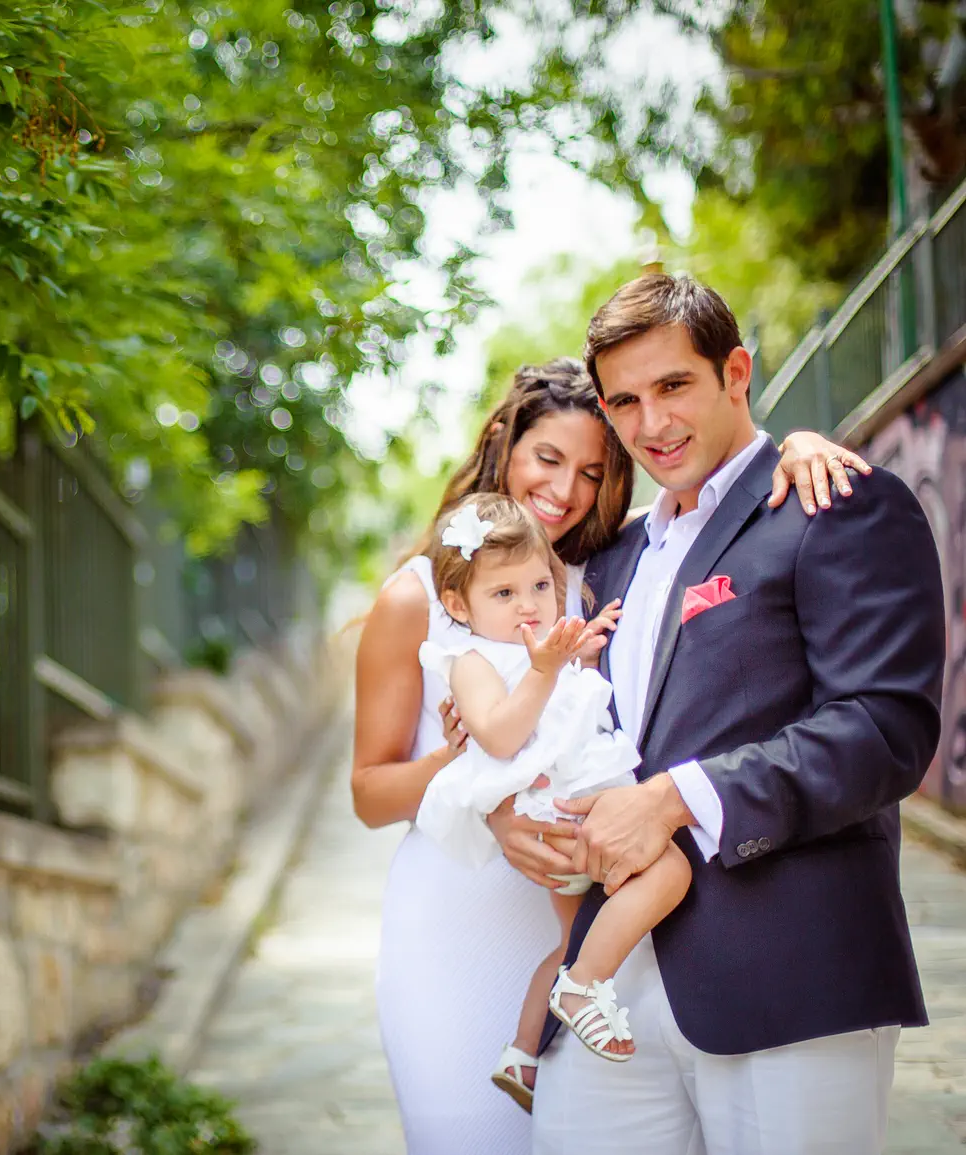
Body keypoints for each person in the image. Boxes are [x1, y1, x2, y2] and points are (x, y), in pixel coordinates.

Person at [354, 355, 871, 1155]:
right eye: (547, 459)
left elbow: (716, 506)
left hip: (589, 912)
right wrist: (484, 792)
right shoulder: (419, 596)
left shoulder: (610, 569)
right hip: (459, 913)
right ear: (503, 443)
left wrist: (797, 444)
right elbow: (368, 791)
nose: (564, 491)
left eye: (592, 473)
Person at [530, 273, 946, 1154]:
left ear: (736, 372)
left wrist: (677, 797)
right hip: (613, 974)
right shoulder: (613, 554)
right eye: (626, 402)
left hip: (789, 970)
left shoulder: (831, 504)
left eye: (674, 385)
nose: (652, 425)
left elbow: (884, 729)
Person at [416, 493, 689, 1112]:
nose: (528, 605)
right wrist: (545, 669)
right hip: (559, 809)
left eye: (539, 585)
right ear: (459, 605)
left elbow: (561, 702)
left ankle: (523, 1051)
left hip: (563, 804)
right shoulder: (470, 661)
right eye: (504, 594)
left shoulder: (533, 649)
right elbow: (503, 735)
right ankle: (585, 988)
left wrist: (576, 656)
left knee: (572, 942)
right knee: (668, 870)